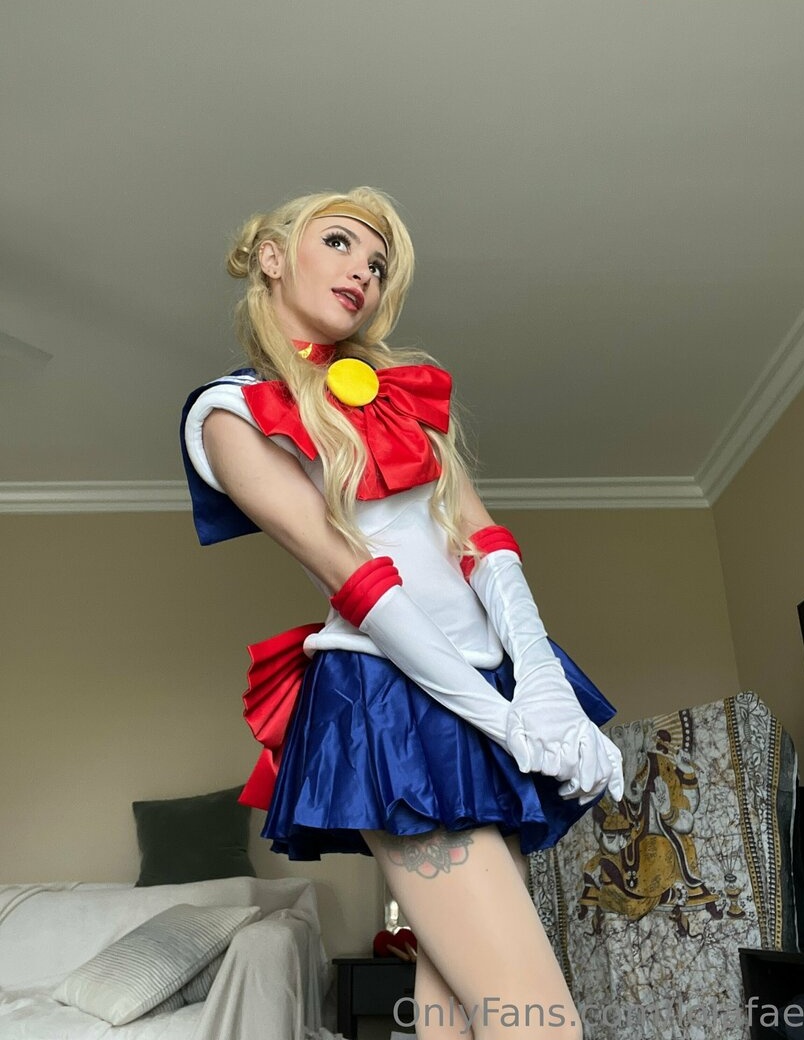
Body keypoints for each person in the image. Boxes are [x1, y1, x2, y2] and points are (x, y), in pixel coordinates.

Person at [181, 186, 624, 1039]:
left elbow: (480, 538)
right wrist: (503, 720)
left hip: (489, 680)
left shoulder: (399, 394)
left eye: (379, 264)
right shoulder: (230, 411)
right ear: (272, 257)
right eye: (339, 242)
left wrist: (539, 682)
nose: (364, 271)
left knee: (455, 1005)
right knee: (539, 1022)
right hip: (391, 699)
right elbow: (353, 576)